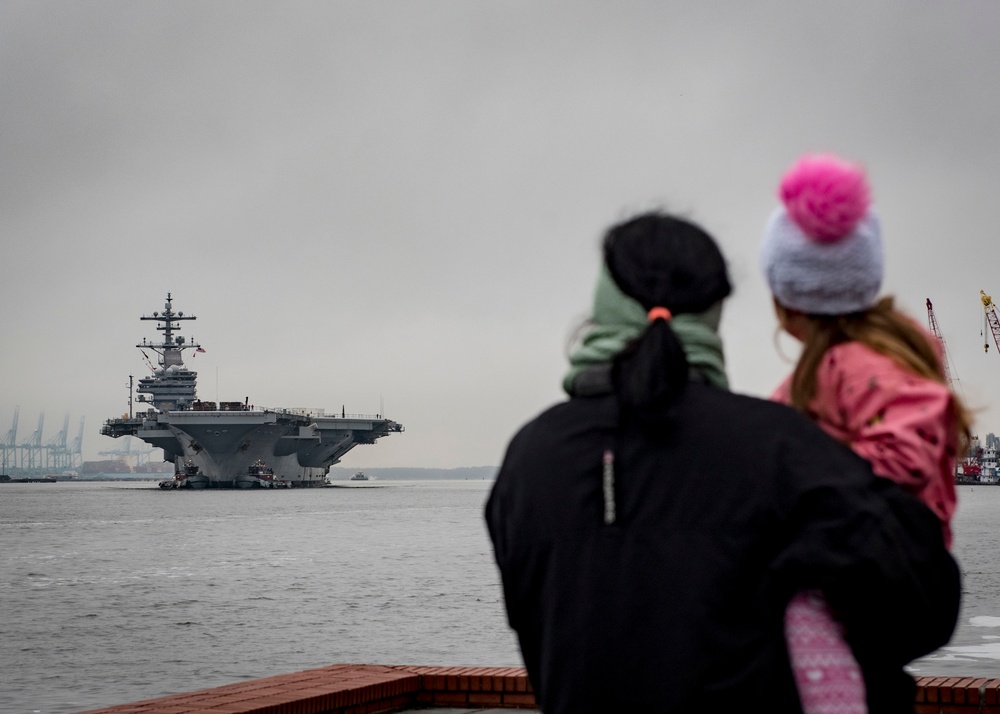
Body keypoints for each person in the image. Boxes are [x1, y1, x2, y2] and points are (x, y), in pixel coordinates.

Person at [485, 210, 960, 714]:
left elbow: (538, 629)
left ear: (603, 303)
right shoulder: (783, 446)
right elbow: (923, 606)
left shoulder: (527, 460)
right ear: (714, 310)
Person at [760, 153, 971, 714]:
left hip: (877, 564)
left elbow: (903, 447)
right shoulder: (861, 363)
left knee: (799, 616)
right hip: (885, 564)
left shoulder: (858, 365)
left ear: (786, 302)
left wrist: (799, 471)